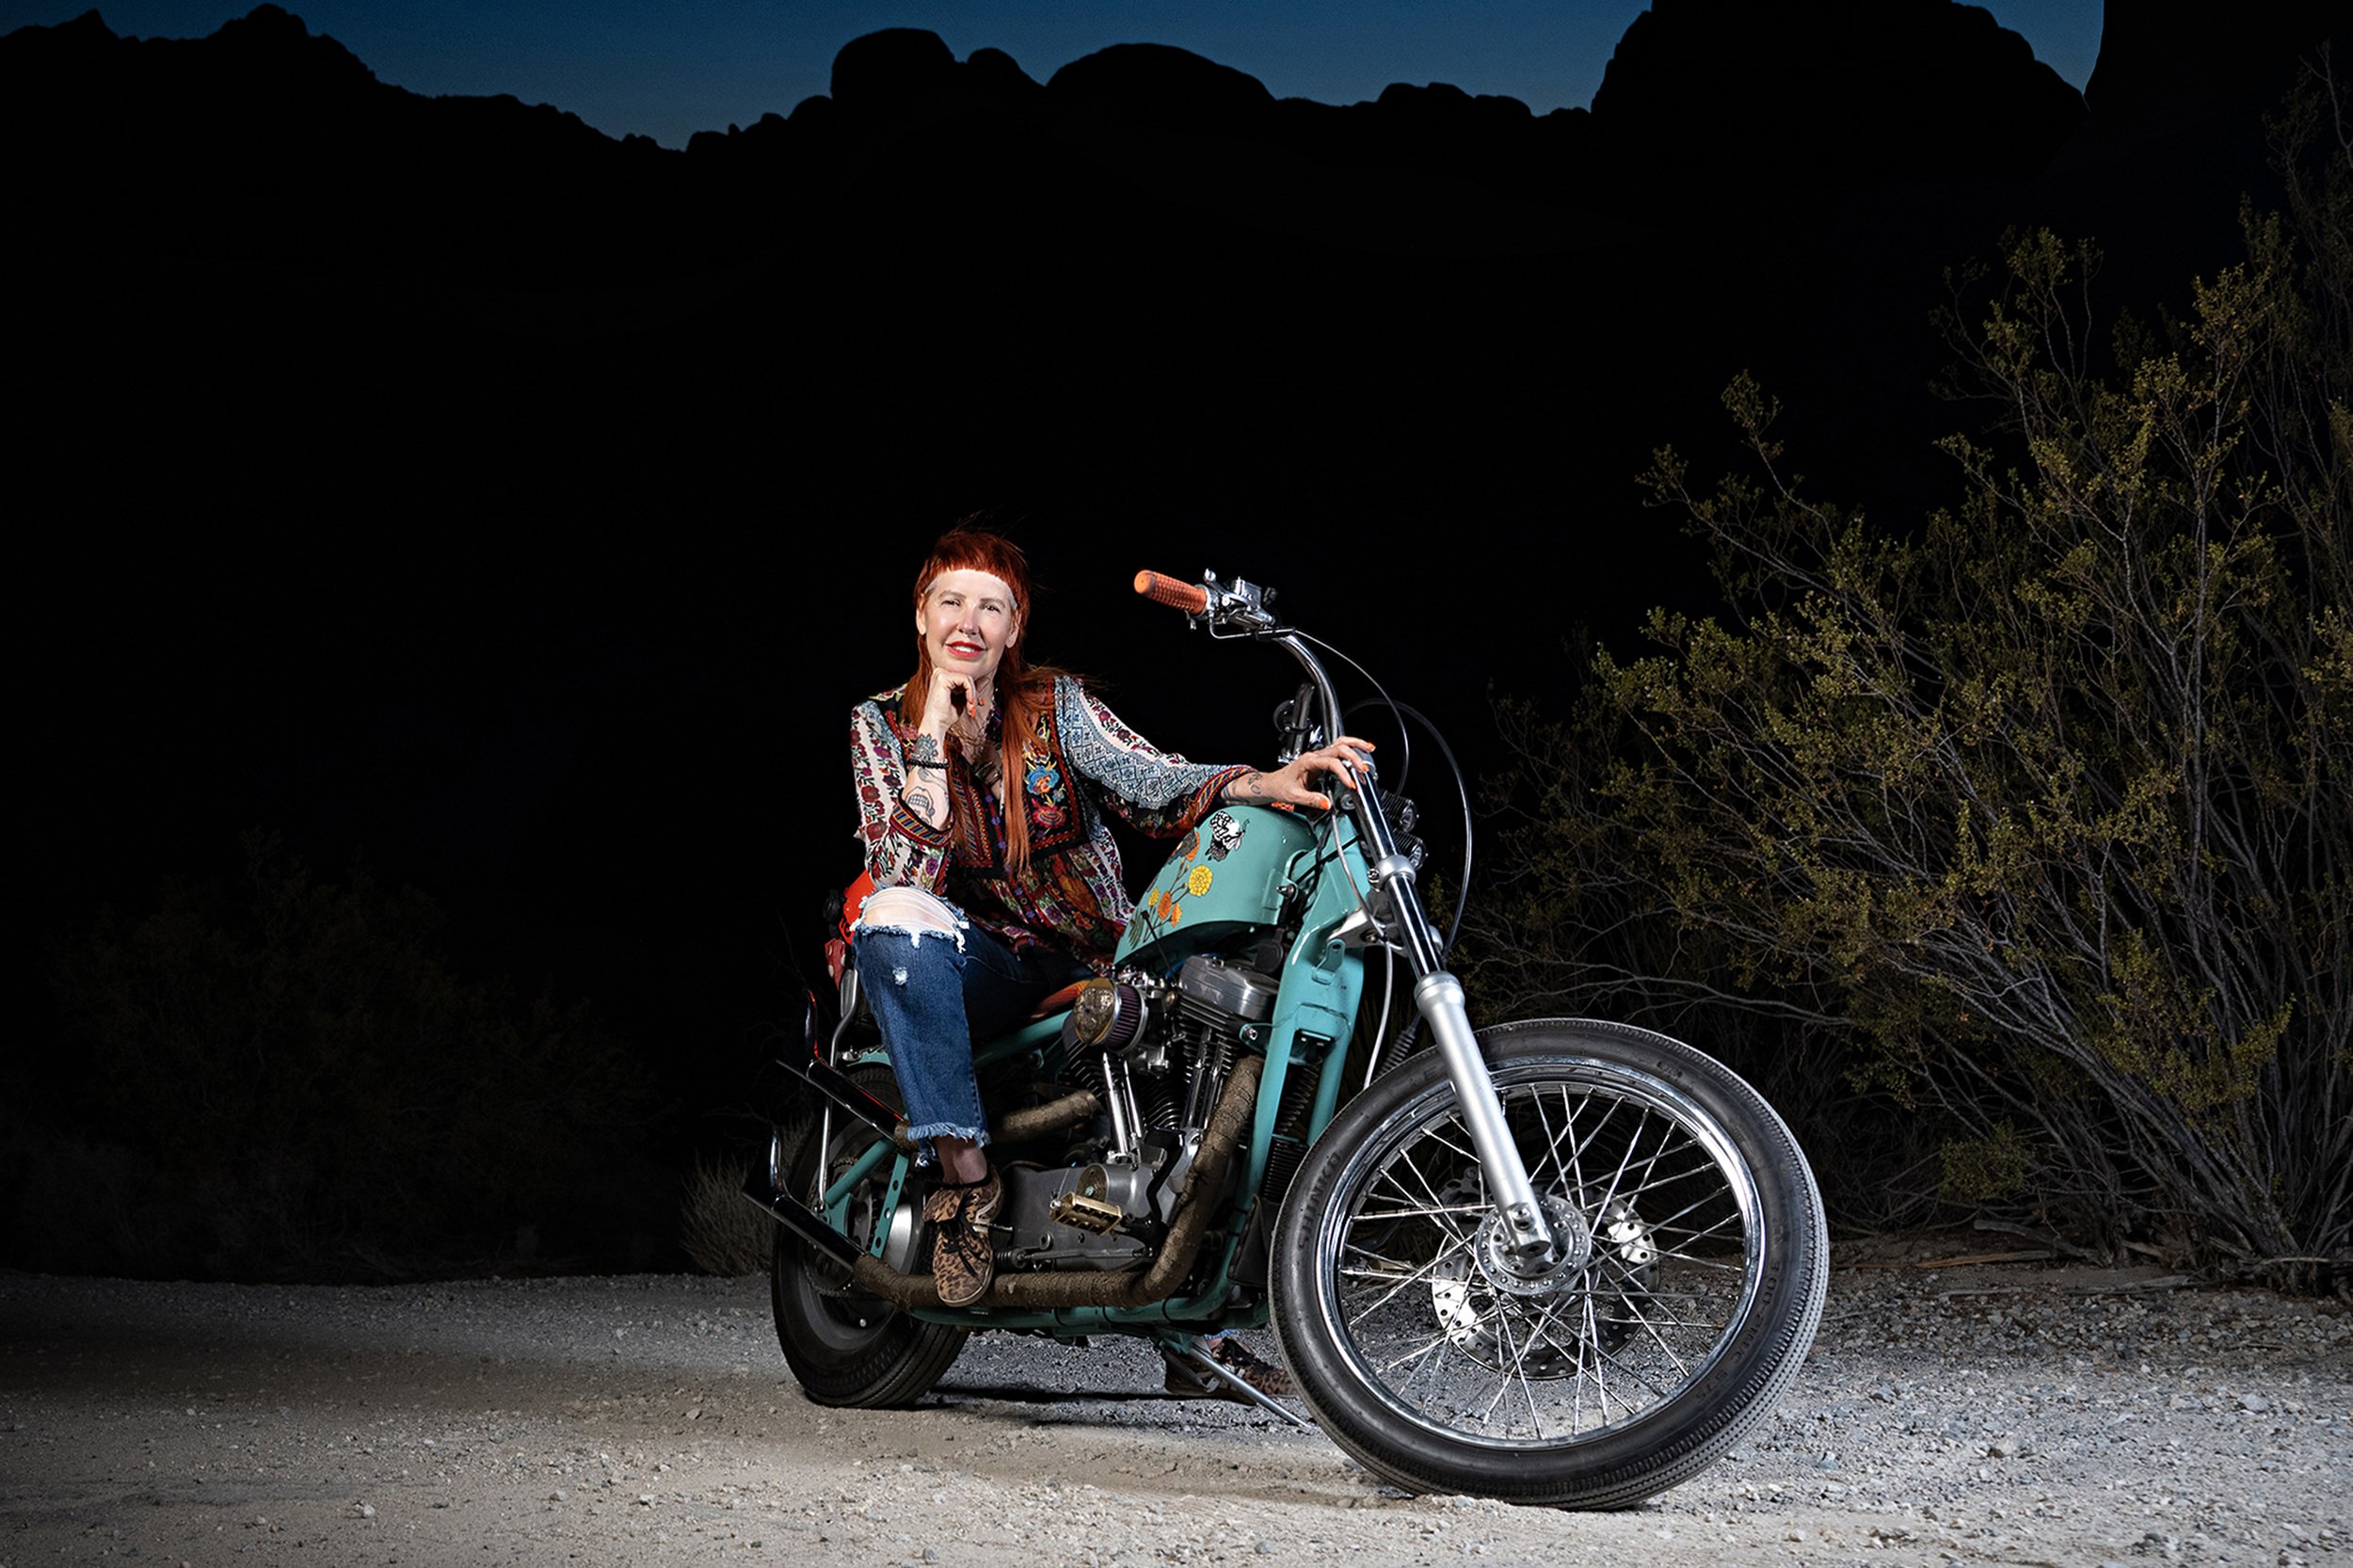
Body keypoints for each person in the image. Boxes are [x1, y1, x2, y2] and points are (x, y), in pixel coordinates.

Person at [846, 525, 1371, 1376]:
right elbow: (902, 871)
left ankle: (1187, 1302)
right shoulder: (879, 725)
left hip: (1094, 954)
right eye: (952, 601)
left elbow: (1147, 777)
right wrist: (932, 739)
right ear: (921, 616)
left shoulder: (1054, 710)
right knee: (895, 913)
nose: (969, 621)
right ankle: (965, 1178)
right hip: (975, 966)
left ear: (1015, 630)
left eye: (993, 606)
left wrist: (1256, 782)